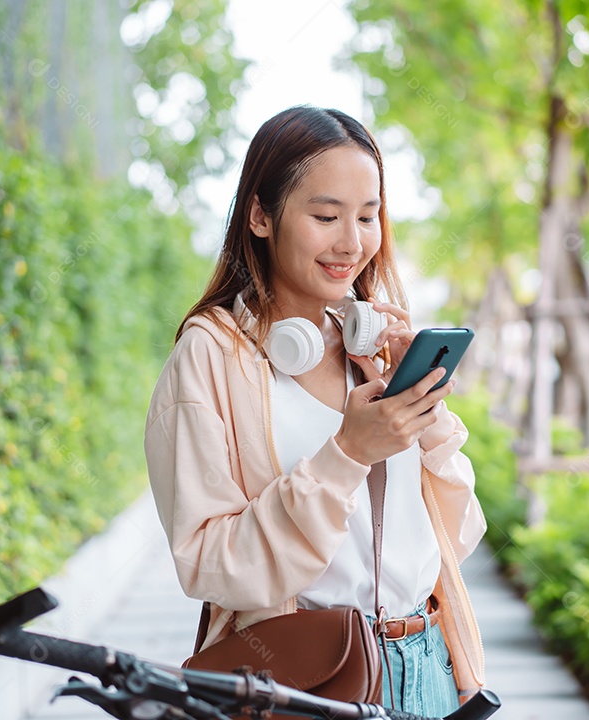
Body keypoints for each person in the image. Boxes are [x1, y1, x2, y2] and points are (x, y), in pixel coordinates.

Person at [144, 105, 486, 716]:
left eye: (368, 215)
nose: (352, 244)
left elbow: (457, 537)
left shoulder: (371, 347)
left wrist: (423, 415)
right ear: (260, 215)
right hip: (309, 676)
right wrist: (348, 453)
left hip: (427, 663)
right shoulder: (212, 355)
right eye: (326, 216)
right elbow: (208, 565)